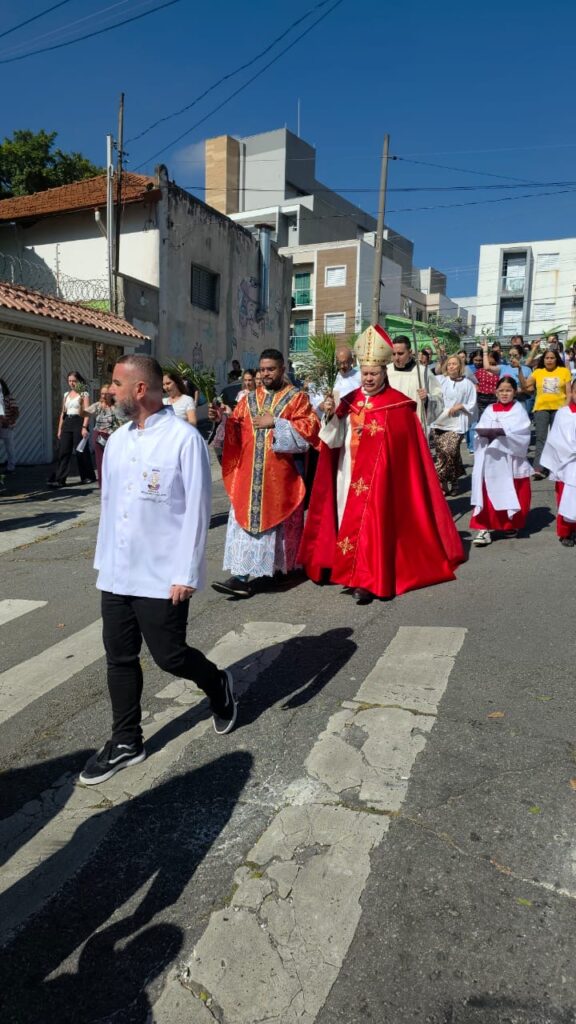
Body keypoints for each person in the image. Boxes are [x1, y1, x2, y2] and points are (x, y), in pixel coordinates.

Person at [79, 355, 236, 786]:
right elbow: (110, 508)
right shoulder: (118, 441)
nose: (108, 391)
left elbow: (197, 512)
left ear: (140, 390)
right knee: (119, 657)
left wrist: (186, 572)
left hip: (162, 574)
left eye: (115, 383)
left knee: (170, 657)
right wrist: (103, 562)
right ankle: (127, 740)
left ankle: (217, 684)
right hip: (116, 571)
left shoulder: (184, 440)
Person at [298, 324, 465, 604]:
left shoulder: (398, 405)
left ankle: (366, 579)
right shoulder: (348, 401)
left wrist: (375, 437)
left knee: (373, 525)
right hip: (348, 472)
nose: (369, 379)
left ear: (385, 373)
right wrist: (331, 416)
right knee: (346, 519)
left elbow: (403, 447)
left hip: (380, 477)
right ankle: (343, 568)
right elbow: (332, 440)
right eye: (365, 373)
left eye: (374, 373)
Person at [210, 347, 320, 598]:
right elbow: (236, 432)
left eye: (271, 369)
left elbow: (310, 430)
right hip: (249, 476)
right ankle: (240, 576)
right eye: (263, 369)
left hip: (281, 477)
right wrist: (222, 420)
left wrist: (277, 423)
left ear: (282, 369)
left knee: (279, 528)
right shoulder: (248, 399)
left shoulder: (297, 398)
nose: (266, 374)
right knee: (245, 524)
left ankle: (281, 570)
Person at [469, 376, 533, 547]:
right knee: (487, 492)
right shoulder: (489, 409)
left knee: (513, 490)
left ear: (515, 392)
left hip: (510, 459)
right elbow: (478, 430)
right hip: (490, 458)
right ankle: (484, 528)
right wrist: (483, 433)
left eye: (508, 390)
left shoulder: (518, 410)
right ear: (496, 392)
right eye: (501, 390)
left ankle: (508, 524)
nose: (504, 394)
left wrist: (503, 434)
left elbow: (522, 434)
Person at [431, 355, 477, 495]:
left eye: (454, 364)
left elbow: (472, 403)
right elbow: (431, 394)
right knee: (444, 454)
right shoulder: (440, 380)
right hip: (439, 422)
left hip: (457, 423)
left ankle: (436, 477)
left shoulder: (468, 384)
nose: (451, 366)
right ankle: (450, 483)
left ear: (460, 366)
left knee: (449, 450)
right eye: (449, 364)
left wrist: (461, 406)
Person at [524, 349, 571, 478]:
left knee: (558, 439)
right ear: (543, 360)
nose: (549, 360)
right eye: (547, 358)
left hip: (560, 409)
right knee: (541, 439)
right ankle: (539, 468)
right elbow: (526, 385)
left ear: (557, 359)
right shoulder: (537, 372)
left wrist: (566, 409)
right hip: (541, 409)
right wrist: (519, 371)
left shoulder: (564, 371)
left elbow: (569, 392)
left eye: (552, 358)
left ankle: (558, 466)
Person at [541, 379, 576, 546]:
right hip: (566, 463)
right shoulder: (563, 413)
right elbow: (555, 438)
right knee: (565, 498)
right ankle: (566, 532)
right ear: (572, 393)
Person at [49, 371, 95, 488]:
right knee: (63, 451)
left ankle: (87, 476)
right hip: (67, 422)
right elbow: (63, 413)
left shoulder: (83, 393)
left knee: (80, 451)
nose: (72, 383)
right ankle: (60, 479)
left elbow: (87, 411)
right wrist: (60, 429)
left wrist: (85, 427)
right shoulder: (66, 395)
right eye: (69, 381)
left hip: (79, 421)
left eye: (74, 381)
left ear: (78, 381)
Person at [386, 335, 443, 429]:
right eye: (394, 354)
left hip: (415, 426)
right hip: (391, 425)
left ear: (410, 352)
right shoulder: (386, 371)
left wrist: (427, 399)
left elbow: (439, 398)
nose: (396, 358)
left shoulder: (422, 372)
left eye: (400, 354)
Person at [85, 384, 123, 486]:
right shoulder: (97, 405)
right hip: (99, 435)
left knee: (113, 461)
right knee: (100, 460)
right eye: (101, 393)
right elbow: (84, 413)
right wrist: (82, 397)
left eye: (105, 394)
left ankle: (113, 483)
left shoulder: (116, 407)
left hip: (112, 436)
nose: (103, 396)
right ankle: (103, 484)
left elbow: (122, 422)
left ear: (110, 394)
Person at [0, 378, 19, 472]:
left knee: (9, 447)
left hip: (6, 426)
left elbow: (16, 412)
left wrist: (9, 422)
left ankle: (11, 466)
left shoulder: (8, 397)